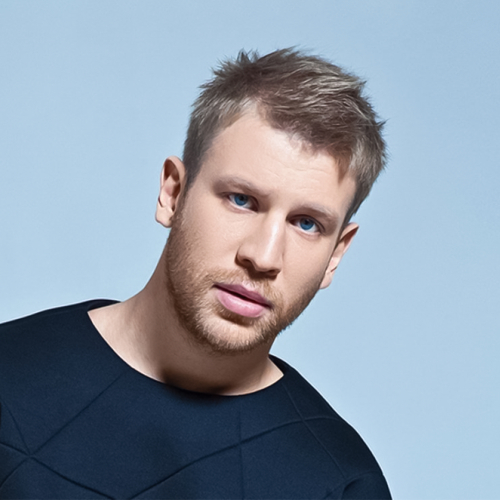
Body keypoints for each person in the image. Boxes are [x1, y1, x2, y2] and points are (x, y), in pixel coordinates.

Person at [0, 49, 391, 499]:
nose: (263, 257)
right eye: (241, 200)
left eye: (307, 224)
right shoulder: (10, 375)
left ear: (336, 253)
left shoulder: (341, 483)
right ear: (173, 193)